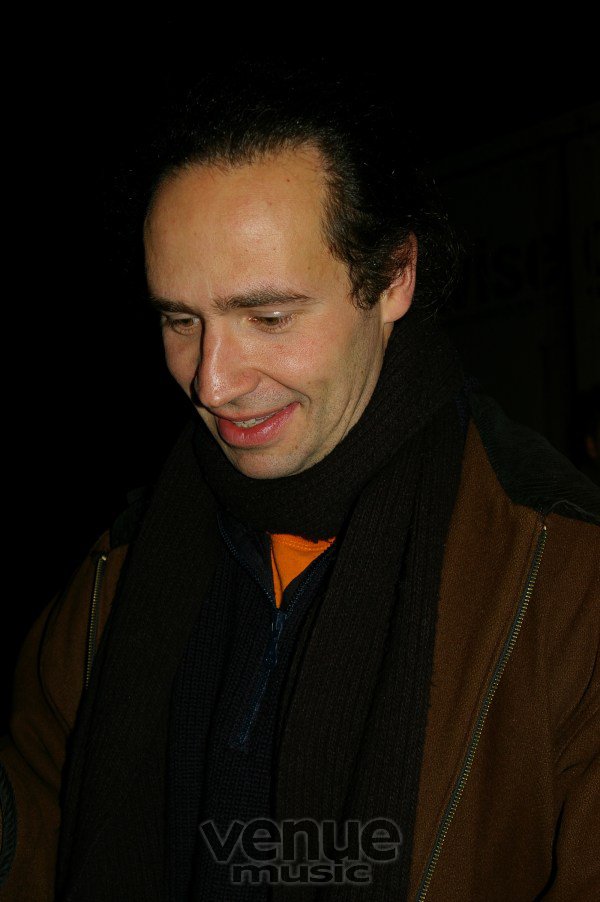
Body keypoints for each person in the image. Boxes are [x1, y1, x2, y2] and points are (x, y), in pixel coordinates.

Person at [1, 62, 598, 902]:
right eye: (181, 320)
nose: (212, 382)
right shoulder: (114, 576)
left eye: (269, 317)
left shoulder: (560, 578)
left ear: (393, 278)